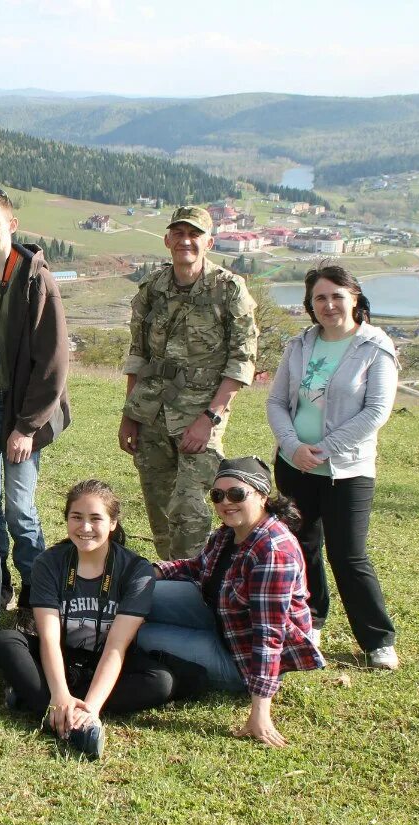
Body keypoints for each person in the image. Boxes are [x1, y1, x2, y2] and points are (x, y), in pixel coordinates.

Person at [0, 480, 207, 759]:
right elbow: (49, 638)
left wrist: (91, 708)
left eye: (96, 518)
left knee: (161, 681)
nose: (85, 527)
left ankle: (39, 702)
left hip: (106, 659)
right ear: (67, 519)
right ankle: (56, 708)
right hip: (62, 656)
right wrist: (59, 695)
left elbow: (117, 645)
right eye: (76, 517)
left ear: (113, 523)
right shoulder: (50, 562)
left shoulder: (135, 570)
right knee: (6, 641)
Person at [137, 457, 325, 748]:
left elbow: (268, 634)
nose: (226, 502)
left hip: (240, 659)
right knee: (137, 596)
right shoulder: (229, 532)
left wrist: (260, 712)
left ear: (262, 495)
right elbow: (199, 567)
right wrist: (155, 571)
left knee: (138, 634)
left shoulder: (273, 552)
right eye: (217, 495)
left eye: (237, 493)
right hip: (219, 616)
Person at [266, 265, 400, 669]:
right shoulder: (299, 345)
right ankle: (312, 621)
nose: (328, 305)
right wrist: (293, 446)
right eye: (319, 298)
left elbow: (376, 411)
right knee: (302, 548)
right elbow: (276, 402)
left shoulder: (376, 347)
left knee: (349, 555)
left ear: (355, 298)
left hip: (348, 471)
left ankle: (378, 640)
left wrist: (322, 449)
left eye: (337, 295)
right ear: (310, 305)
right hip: (294, 466)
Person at [120, 205, 259, 561]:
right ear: (167, 240)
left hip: (200, 417)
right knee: (160, 512)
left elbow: (242, 361)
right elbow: (138, 354)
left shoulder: (228, 290)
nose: (186, 241)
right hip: (151, 415)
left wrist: (208, 419)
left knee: (191, 514)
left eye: (194, 234)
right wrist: (129, 415)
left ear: (209, 242)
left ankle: (200, 588)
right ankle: (170, 585)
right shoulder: (153, 289)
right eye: (178, 234)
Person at [0, 188, 70, 623]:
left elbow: (54, 359)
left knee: (21, 509)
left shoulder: (34, 278)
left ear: (12, 225)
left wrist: (27, 426)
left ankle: (35, 593)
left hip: (18, 411)